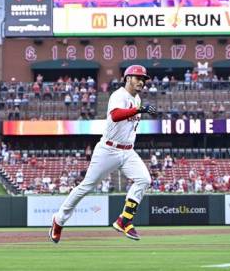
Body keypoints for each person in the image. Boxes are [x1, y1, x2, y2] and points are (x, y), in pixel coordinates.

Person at [49, 65, 157, 244]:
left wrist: (139, 109)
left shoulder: (137, 98)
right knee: (86, 187)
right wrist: (139, 110)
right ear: (127, 78)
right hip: (108, 149)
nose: (141, 81)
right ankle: (59, 220)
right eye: (138, 77)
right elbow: (115, 115)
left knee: (144, 179)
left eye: (144, 79)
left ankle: (124, 220)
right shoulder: (118, 95)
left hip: (128, 150)